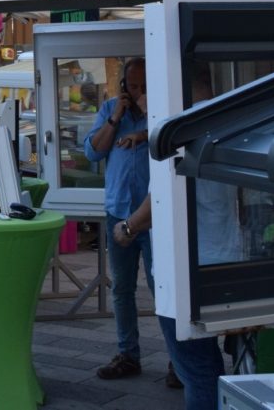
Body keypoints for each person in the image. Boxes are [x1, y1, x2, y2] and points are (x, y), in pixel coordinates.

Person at [112, 64, 240, 408]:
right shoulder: (226, 122)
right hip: (229, 256)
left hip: (189, 270)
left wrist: (126, 228)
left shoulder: (178, 131)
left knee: (197, 370)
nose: (143, 98)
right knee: (220, 366)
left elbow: (160, 200)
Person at [84, 58, 152, 381]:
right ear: (124, 86)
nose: (139, 93)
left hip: (153, 215)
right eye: (133, 86)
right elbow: (93, 152)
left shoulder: (160, 107)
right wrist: (116, 117)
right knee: (122, 288)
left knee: (161, 286)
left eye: (144, 86)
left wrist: (144, 131)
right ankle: (128, 354)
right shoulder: (111, 108)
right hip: (119, 212)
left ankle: (177, 362)